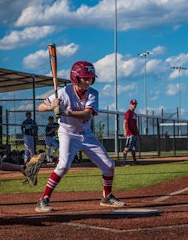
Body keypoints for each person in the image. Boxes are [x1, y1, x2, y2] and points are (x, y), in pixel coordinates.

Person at [35, 61, 125, 213]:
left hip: (86, 134)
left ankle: (106, 197)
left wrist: (65, 112)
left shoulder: (93, 93)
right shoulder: (64, 92)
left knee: (109, 166)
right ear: (75, 78)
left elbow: (87, 113)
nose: (88, 80)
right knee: (63, 166)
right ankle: (43, 200)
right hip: (67, 133)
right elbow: (41, 107)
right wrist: (52, 106)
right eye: (85, 78)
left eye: (90, 78)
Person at [122, 99, 140, 165]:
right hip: (130, 133)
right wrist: (125, 131)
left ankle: (134, 161)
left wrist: (138, 134)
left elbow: (135, 125)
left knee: (133, 149)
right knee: (127, 148)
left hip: (134, 133)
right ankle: (124, 162)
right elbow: (125, 122)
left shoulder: (134, 114)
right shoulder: (128, 112)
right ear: (130, 104)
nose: (134, 105)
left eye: (135, 104)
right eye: (133, 104)